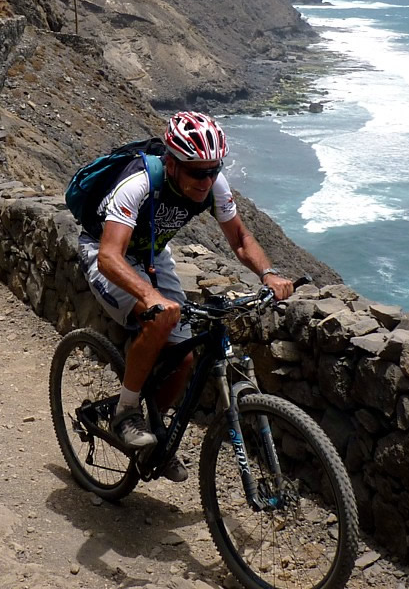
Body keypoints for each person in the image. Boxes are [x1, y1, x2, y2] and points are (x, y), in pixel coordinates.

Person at [77, 111, 295, 482]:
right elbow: (110, 257)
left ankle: (152, 437)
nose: (206, 180)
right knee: (161, 316)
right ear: (172, 163)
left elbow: (240, 239)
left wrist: (269, 273)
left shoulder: (214, 184)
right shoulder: (140, 184)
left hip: (151, 254)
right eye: (197, 172)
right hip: (106, 251)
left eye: (213, 170)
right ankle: (126, 414)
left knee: (186, 358)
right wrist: (150, 296)